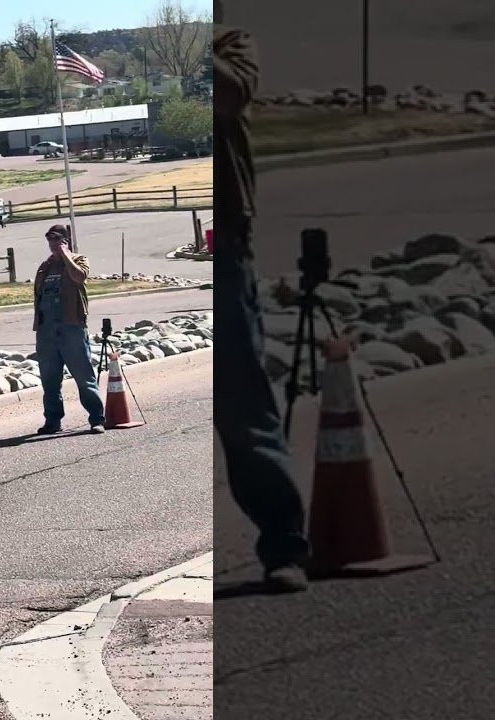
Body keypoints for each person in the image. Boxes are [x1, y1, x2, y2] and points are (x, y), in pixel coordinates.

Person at [216, 19, 311, 593]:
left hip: (228, 250)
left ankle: (285, 545)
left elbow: (228, 94)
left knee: (244, 407)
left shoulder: (233, 42)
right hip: (202, 255)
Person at [32, 225, 106, 435]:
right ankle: (53, 421)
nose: (53, 245)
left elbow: (79, 277)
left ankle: (96, 419)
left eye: (58, 240)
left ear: (66, 241)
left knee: (84, 377)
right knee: (50, 380)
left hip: (71, 327)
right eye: (50, 241)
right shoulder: (44, 267)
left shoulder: (79, 260)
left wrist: (66, 255)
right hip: (47, 331)